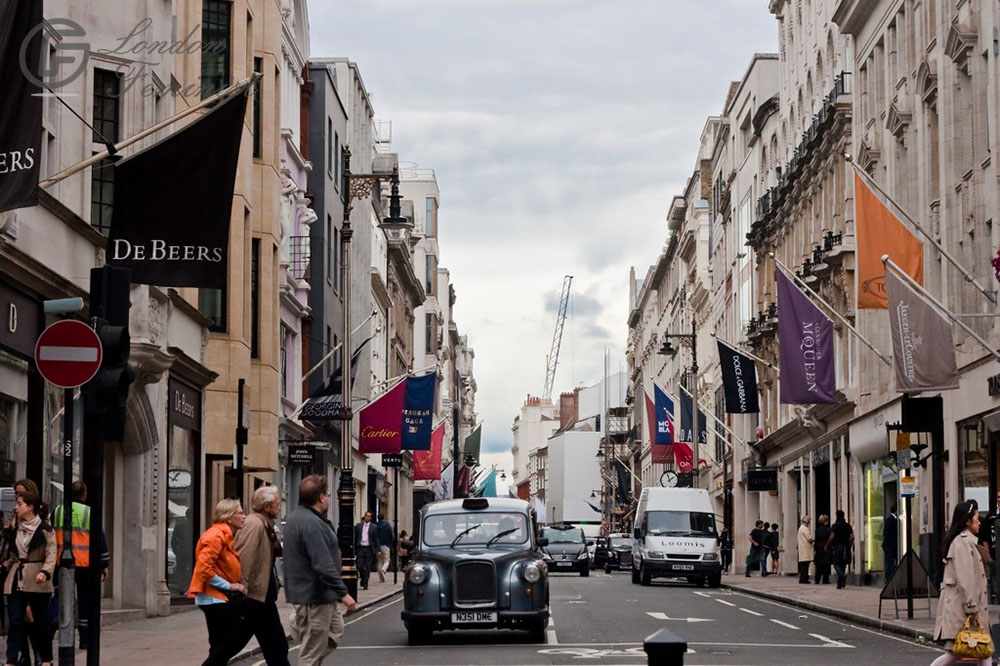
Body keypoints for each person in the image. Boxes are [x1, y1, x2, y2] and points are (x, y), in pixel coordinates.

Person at [283, 475, 357, 666]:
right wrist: (344, 594)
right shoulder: (311, 523)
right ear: (322, 497)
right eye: (328, 495)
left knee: (335, 630)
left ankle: (303, 630)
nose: (328, 499)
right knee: (311, 651)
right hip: (314, 596)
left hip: (323, 595)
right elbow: (322, 563)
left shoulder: (299, 518)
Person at [232, 486, 289, 666]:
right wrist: (242, 592)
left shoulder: (265, 525)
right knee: (229, 646)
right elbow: (243, 559)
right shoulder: (253, 525)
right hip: (253, 599)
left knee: (278, 647)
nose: (280, 507)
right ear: (266, 506)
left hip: (263, 599)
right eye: (277, 504)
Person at [930, 501, 992, 666]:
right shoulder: (962, 543)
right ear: (967, 521)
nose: (979, 522)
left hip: (965, 609)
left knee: (982, 650)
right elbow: (966, 580)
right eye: (977, 518)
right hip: (963, 610)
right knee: (959, 652)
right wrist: (972, 608)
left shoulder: (967, 542)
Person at [188, 498, 248, 666]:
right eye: (240, 513)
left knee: (218, 645)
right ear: (229, 517)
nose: (244, 516)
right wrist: (230, 586)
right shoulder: (215, 536)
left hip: (217, 598)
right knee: (231, 641)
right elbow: (203, 569)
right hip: (214, 598)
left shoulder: (225, 535)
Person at [51, 481, 110, 649]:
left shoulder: (56, 512)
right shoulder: (89, 513)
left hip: (60, 563)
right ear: (84, 494)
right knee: (85, 601)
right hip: (85, 564)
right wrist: (104, 563)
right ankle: (84, 639)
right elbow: (100, 539)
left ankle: (51, 627)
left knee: (61, 599)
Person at [3, 489, 56, 666]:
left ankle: (46, 660)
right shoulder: (16, 528)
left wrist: (45, 572)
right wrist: (4, 566)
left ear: (30, 507)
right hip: (16, 580)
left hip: (37, 580)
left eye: (20, 504)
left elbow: (51, 554)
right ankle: (11, 660)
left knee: (40, 623)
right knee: (16, 622)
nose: (16, 508)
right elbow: (12, 556)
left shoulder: (45, 529)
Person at [826, 509, 854, 589]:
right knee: (843, 565)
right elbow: (852, 537)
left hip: (838, 547)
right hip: (846, 547)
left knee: (836, 564)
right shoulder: (848, 526)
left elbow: (832, 536)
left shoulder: (835, 526)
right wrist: (849, 546)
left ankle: (842, 576)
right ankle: (840, 584)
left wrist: (827, 545)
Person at [354, 511, 379, 590]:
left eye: (368, 516)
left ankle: (365, 584)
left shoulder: (374, 527)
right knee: (359, 566)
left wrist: (378, 549)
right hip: (361, 548)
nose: (367, 517)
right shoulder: (358, 526)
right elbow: (355, 537)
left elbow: (376, 539)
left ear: (371, 518)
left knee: (368, 567)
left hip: (369, 548)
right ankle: (362, 578)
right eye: (366, 516)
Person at [813, 514, 832, 584]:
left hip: (819, 547)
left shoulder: (818, 529)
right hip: (826, 547)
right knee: (826, 565)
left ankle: (817, 579)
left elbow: (816, 539)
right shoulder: (828, 529)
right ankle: (825, 579)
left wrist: (815, 549)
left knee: (819, 565)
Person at [375, 514, 394, 582]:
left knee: (379, 561)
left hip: (378, 546)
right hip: (386, 545)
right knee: (386, 560)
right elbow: (392, 536)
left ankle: (381, 578)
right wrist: (391, 545)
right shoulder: (387, 525)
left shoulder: (375, 526)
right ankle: (383, 569)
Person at [883, 504, 899, 581]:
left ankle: (890, 578)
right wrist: (890, 545)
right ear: (896, 510)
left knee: (891, 562)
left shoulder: (892, 519)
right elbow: (886, 533)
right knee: (890, 563)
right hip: (890, 546)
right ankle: (888, 579)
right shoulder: (891, 519)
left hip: (891, 545)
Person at [797, 516, 813, 584]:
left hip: (802, 549)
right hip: (805, 549)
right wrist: (813, 539)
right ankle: (804, 579)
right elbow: (809, 538)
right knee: (805, 566)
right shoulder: (805, 529)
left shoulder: (800, 528)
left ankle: (803, 578)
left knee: (804, 565)